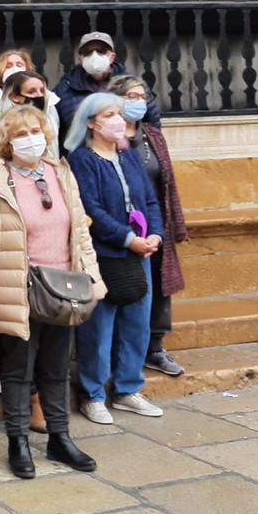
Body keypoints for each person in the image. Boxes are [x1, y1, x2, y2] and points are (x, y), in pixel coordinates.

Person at [0, 105, 105, 479]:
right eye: (21, 133)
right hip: (19, 288)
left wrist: (93, 280)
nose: (31, 138)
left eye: (36, 130)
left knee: (57, 368)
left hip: (65, 287)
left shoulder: (60, 173)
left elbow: (80, 232)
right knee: (18, 370)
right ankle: (18, 443)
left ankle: (60, 438)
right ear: (7, 142)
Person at [65, 94, 166, 425]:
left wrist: (155, 235)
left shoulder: (130, 156)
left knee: (138, 322)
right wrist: (126, 239)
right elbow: (90, 208)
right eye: (110, 114)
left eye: (120, 114)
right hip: (105, 254)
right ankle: (93, 393)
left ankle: (127, 389)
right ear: (92, 122)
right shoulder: (82, 159)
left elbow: (150, 200)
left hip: (140, 252)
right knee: (99, 327)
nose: (118, 121)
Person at [108, 75, 190, 377]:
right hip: (122, 228)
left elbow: (167, 181)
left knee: (160, 285)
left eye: (142, 96)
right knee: (127, 289)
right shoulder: (109, 136)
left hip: (157, 224)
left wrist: (171, 226)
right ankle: (124, 352)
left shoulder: (153, 134)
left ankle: (155, 348)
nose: (137, 102)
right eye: (130, 96)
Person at [55, 32, 161, 141]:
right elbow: (57, 130)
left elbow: (153, 123)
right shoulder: (64, 89)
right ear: (81, 57)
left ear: (112, 56)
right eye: (87, 52)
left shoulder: (133, 86)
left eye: (101, 50)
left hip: (127, 153)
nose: (94, 55)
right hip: (80, 155)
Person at [0, 72, 60, 172]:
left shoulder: (46, 120)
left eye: (42, 91)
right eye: (31, 92)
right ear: (14, 97)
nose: (39, 96)